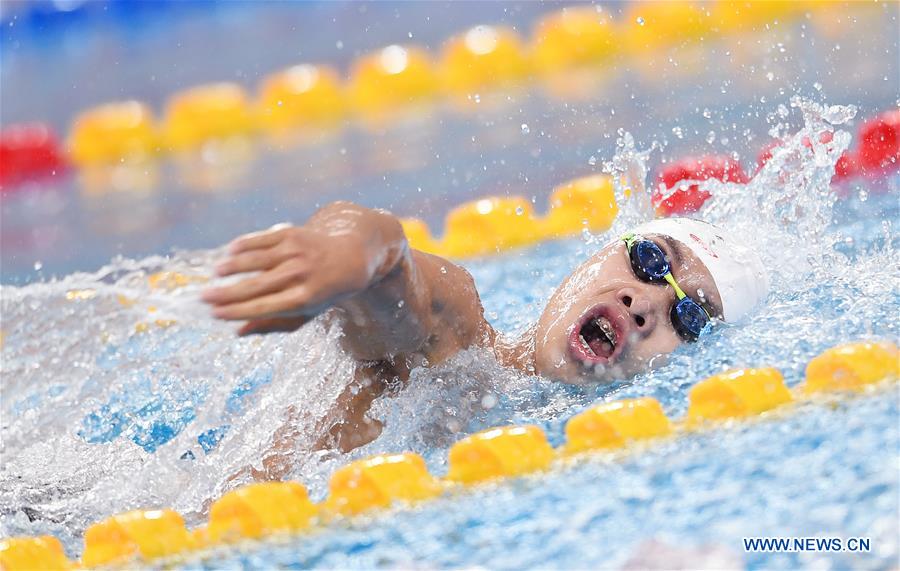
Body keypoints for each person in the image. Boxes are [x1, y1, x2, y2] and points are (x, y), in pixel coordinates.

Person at [201, 201, 768, 460]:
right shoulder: (461, 344)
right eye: (649, 259)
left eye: (689, 316)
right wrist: (342, 254)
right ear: (594, 256)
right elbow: (392, 262)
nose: (645, 301)